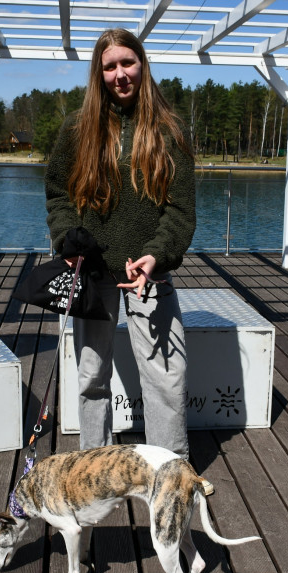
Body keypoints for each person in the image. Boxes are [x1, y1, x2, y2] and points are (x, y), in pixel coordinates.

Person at [45, 28, 196, 459]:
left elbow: (180, 210)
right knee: (92, 375)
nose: (120, 74)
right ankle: (95, 465)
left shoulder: (169, 130)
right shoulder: (77, 128)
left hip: (148, 272)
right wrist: (67, 239)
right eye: (110, 66)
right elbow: (58, 194)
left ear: (142, 64)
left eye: (127, 62)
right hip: (92, 271)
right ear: (99, 73)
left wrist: (157, 255)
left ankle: (170, 470)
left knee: (165, 377)